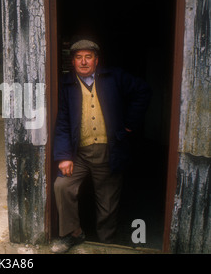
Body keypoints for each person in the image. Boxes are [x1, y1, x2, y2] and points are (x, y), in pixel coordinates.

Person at [51, 39, 151, 253]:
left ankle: (107, 243)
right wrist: (63, 156)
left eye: (88, 57)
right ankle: (73, 234)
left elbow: (143, 90)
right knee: (62, 186)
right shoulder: (66, 83)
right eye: (79, 57)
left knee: (107, 203)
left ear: (97, 60)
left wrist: (130, 125)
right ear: (73, 61)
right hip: (79, 152)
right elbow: (62, 121)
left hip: (109, 151)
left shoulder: (114, 77)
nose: (84, 62)